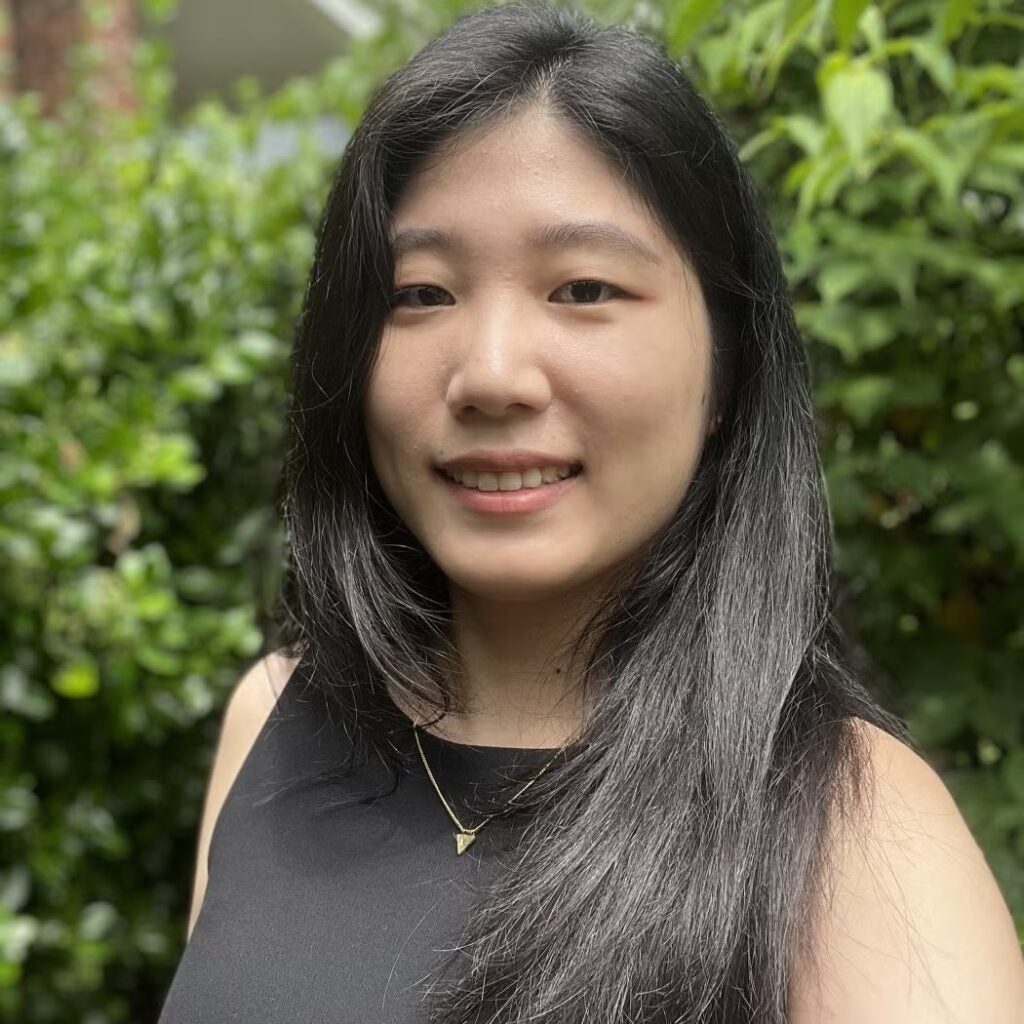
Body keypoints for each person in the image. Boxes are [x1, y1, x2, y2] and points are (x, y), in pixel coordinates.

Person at [157, 3, 1024, 1022]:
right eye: (421, 294)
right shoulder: (273, 716)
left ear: (726, 367)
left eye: (582, 286)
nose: (490, 375)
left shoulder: (856, 830)